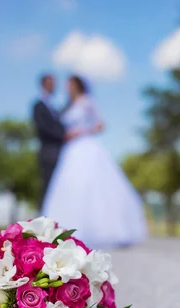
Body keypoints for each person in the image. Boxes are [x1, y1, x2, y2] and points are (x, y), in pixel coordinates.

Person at [42, 75, 148, 249]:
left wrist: (82, 131)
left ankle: (102, 230)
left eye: (70, 84)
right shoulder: (67, 107)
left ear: (77, 85)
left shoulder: (87, 102)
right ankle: (66, 232)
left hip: (85, 146)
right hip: (70, 151)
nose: (67, 87)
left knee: (93, 185)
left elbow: (101, 125)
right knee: (71, 186)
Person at [32, 74, 66, 210]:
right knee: (47, 186)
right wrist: (64, 135)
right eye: (51, 83)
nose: (54, 86)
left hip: (60, 152)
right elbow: (43, 128)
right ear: (44, 84)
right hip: (48, 153)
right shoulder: (38, 106)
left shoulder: (54, 108)